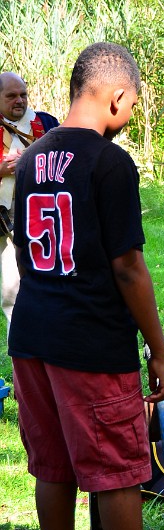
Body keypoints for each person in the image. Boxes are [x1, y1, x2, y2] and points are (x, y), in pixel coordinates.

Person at [9, 42, 164, 530]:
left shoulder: (32, 158)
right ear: (118, 95)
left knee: (50, 465)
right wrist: (156, 347)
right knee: (116, 467)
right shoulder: (109, 163)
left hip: (31, 332)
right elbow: (128, 265)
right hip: (89, 340)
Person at [0, 71, 58, 333]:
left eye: (23, 94)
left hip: (42, 216)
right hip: (4, 219)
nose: (19, 100)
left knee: (48, 282)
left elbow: (63, 163)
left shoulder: (46, 124)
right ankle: (21, 346)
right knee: (11, 290)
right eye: (11, 96)